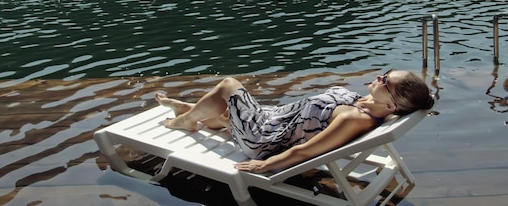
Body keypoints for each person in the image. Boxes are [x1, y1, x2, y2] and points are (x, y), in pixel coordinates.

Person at [154, 68, 434, 173]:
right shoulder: (366, 104)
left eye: (385, 81)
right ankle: (192, 111)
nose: (379, 77)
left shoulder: (353, 118)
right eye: (386, 73)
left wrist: (265, 165)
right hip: (276, 122)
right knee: (228, 110)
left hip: (264, 139)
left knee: (229, 85)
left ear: (390, 104)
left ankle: (186, 120)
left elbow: (306, 151)